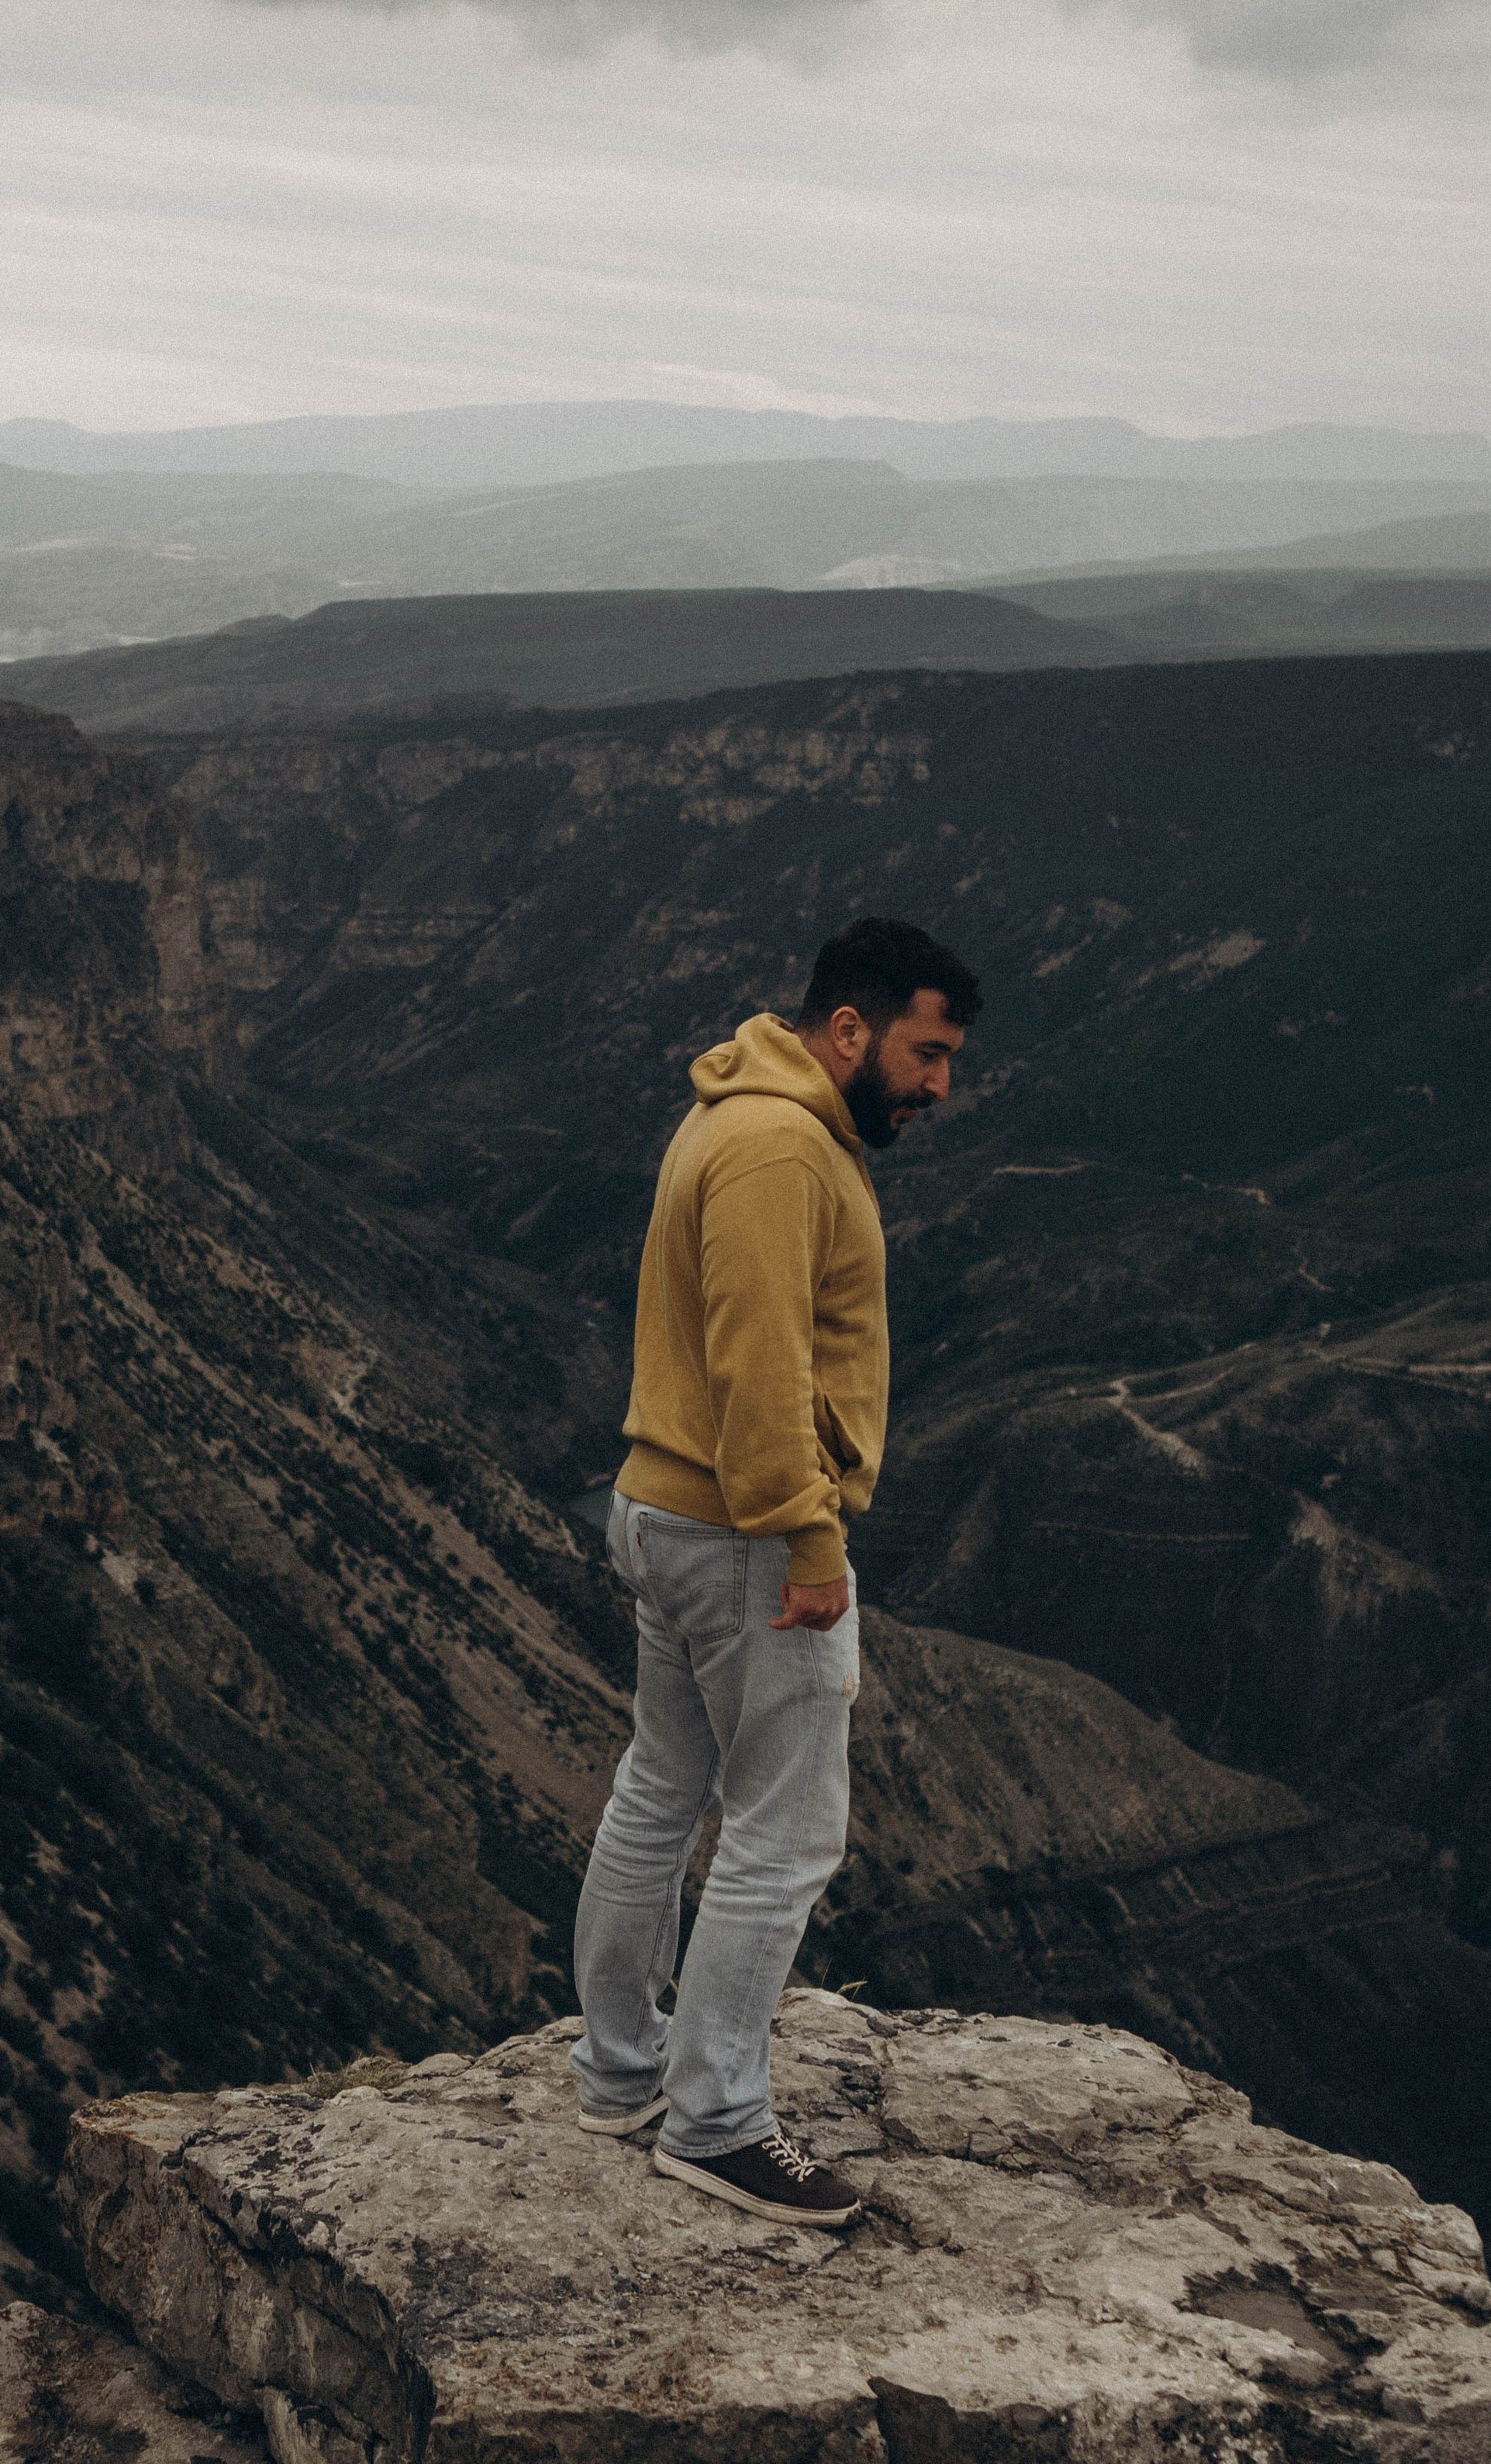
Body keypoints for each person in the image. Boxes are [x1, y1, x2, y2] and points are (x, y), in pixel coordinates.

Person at [569, 915, 982, 2226]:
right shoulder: (778, 1148)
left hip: (669, 1509)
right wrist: (810, 1537)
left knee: (662, 1787)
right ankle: (718, 2122)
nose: (938, 1086)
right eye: (926, 1052)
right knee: (784, 1831)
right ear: (848, 1031)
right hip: (745, 1533)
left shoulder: (742, 1112)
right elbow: (761, 1370)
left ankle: (622, 2071)